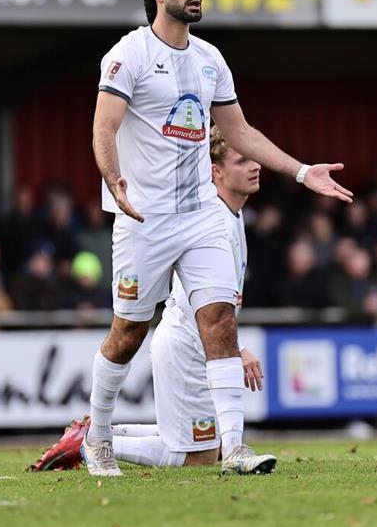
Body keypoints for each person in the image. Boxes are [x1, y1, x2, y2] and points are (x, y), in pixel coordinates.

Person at [85, 0, 351, 477]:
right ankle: (97, 436)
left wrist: (301, 171)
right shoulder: (129, 53)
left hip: (200, 214)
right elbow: (104, 126)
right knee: (127, 333)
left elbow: (240, 132)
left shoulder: (210, 58)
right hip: (144, 217)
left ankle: (234, 447)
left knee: (219, 317)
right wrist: (113, 178)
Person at [31, 128, 268, 471]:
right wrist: (236, 348)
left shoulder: (231, 213)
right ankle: (89, 442)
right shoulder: (212, 220)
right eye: (243, 160)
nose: (255, 165)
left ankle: (97, 434)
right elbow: (200, 305)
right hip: (188, 345)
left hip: (192, 343)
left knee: (200, 446)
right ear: (215, 171)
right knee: (199, 457)